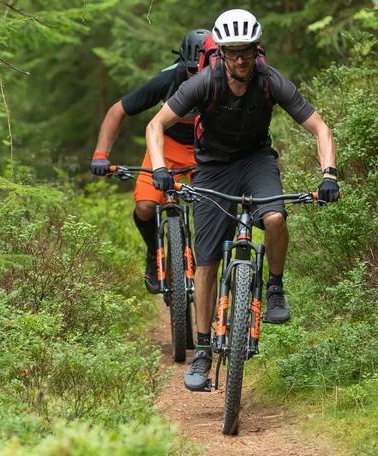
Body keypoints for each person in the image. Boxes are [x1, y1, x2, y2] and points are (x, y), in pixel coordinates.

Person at [144, 8, 340, 391]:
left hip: (256, 161)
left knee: (275, 219)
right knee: (206, 261)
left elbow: (319, 127)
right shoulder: (204, 82)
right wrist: (160, 167)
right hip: (212, 167)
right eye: (233, 52)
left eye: (246, 51)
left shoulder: (269, 81)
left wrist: (329, 174)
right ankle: (203, 351)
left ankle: (275, 289)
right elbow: (156, 125)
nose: (240, 60)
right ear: (220, 53)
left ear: (256, 50)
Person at [91, 29, 210, 293]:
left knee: (210, 209)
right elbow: (117, 111)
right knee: (145, 206)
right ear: (182, 63)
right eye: (190, 71)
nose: (196, 76)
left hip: (207, 150)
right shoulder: (167, 79)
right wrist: (101, 154)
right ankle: (154, 251)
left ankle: (205, 266)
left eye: (202, 70)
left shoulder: (226, 79)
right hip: (166, 146)